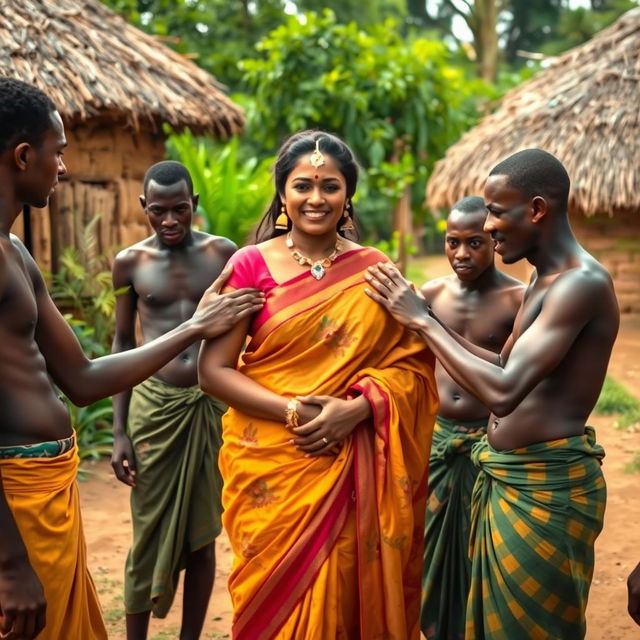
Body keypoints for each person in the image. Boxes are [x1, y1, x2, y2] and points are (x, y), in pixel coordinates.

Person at [0, 77, 264, 640]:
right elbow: (113, 350)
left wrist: (195, 327)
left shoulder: (17, 253)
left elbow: (83, 377)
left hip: (50, 485)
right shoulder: (120, 261)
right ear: (24, 157)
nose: (65, 168)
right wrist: (9, 564)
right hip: (17, 504)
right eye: (59, 151)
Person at [366, 148, 618, 640]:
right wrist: (426, 318)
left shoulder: (580, 284)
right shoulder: (543, 279)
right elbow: (503, 364)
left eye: (498, 211)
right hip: (507, 478)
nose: (491, 224)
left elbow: (503, 392)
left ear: (538, 209)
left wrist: (421, 321)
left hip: (545, 488)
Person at [197, 130, 438, 639]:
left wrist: (358, 409)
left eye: (330, 186)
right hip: (274, 465)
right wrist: (294, 412)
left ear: (347, 195)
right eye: (302, 185)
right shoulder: (249, 265)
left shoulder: (375, 271)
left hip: (351, 463)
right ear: (282, 193)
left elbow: (414, 367)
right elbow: (213, 371)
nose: (315, 198)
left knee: (346, 589)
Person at [110, 160, 235, 640]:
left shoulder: (223, 254)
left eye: (179, 210)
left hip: (210, 408)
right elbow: (123, 343)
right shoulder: (130, 263)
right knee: (147, 536)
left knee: (204, 538)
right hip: (154, 410)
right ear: (144, 207)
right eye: (158, 211)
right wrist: (119, 431)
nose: (169, 221)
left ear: (194, 205)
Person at [419, 196, 523, 640]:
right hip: (436, 444)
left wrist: (430, 326)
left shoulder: (517, 298)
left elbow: (509, 370)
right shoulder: (431, 295)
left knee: (479, 554)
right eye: (453, 242)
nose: (462, 254)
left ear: (494, 242)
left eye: (475, 243)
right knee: (431, 554)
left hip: (486, 445)